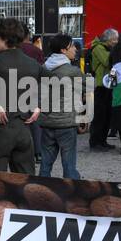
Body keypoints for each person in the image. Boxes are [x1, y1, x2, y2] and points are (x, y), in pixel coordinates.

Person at [0, 18, 42, 172]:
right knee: (25, 180)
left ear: (5, 39)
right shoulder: (32, 63)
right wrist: (38, 105)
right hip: (23, 128)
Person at [38, 33, 85, 179]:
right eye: (72, 46)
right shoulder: (72, 71)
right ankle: (72, 194)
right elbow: (89, 88)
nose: (75, 49)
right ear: (63, 50)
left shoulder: (42, 68)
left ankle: (42, 190)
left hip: (46, 122)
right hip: (66, 123)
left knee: (45, 164)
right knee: (69, 164)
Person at [87, 28, 117, 151]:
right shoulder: (98, 48)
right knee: (99, 115)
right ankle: (95, 142)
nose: (116, 41)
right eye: (114, 39)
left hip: (108, 85)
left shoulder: (107, 48)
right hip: (99, 85)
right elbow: (107, 61)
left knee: (107, 115)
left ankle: (103, 140)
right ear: (108, 39)